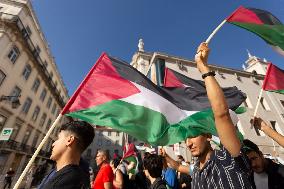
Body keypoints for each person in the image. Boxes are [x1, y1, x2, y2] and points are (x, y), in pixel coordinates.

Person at [160, 42, 254, 188]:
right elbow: (178, 167)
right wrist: (165, 155)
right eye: (186, 138)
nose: (188, 143)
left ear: (208, 135)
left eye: (193, 135)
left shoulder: (228, 159)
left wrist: (203, 68)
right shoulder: (196, 171)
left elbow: (222, 114)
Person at [38, 121, 94, 189]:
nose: (53, 144)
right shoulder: (76, 176)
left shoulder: (65, 182)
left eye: (58, 139)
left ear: (69, 140)